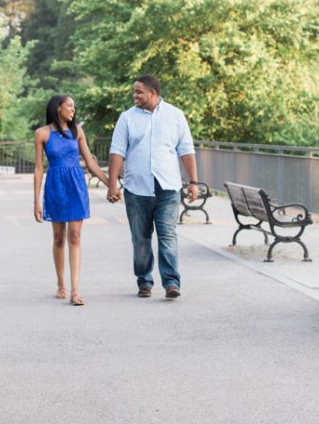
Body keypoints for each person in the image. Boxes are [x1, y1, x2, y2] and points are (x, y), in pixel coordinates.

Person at [106, 75, 199, 300]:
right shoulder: (126, 118)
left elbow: (186, 150)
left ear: (154, 93)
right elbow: (117, 152)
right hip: (137, 189)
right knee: (140, 238)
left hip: (168, 187)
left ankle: (171, 283)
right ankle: (144, 281)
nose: (135, 96)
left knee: (168, 235)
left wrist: (194, 182)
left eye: (139, 92)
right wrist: (112, 185)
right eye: (134, 92)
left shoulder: (175, 115)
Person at [33, 95, 110, 306]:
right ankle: (61, 284)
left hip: (76, 185)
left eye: (74, 107)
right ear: (58, 108)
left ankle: (75, 291)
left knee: (75, 236)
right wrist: (36, 201)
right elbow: (39, 168)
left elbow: (91, 163)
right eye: (70, 106)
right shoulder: (42, 133)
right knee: (59, 236)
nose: (73, 110)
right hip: (55, 186)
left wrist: (110, 183)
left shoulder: (77, 132)